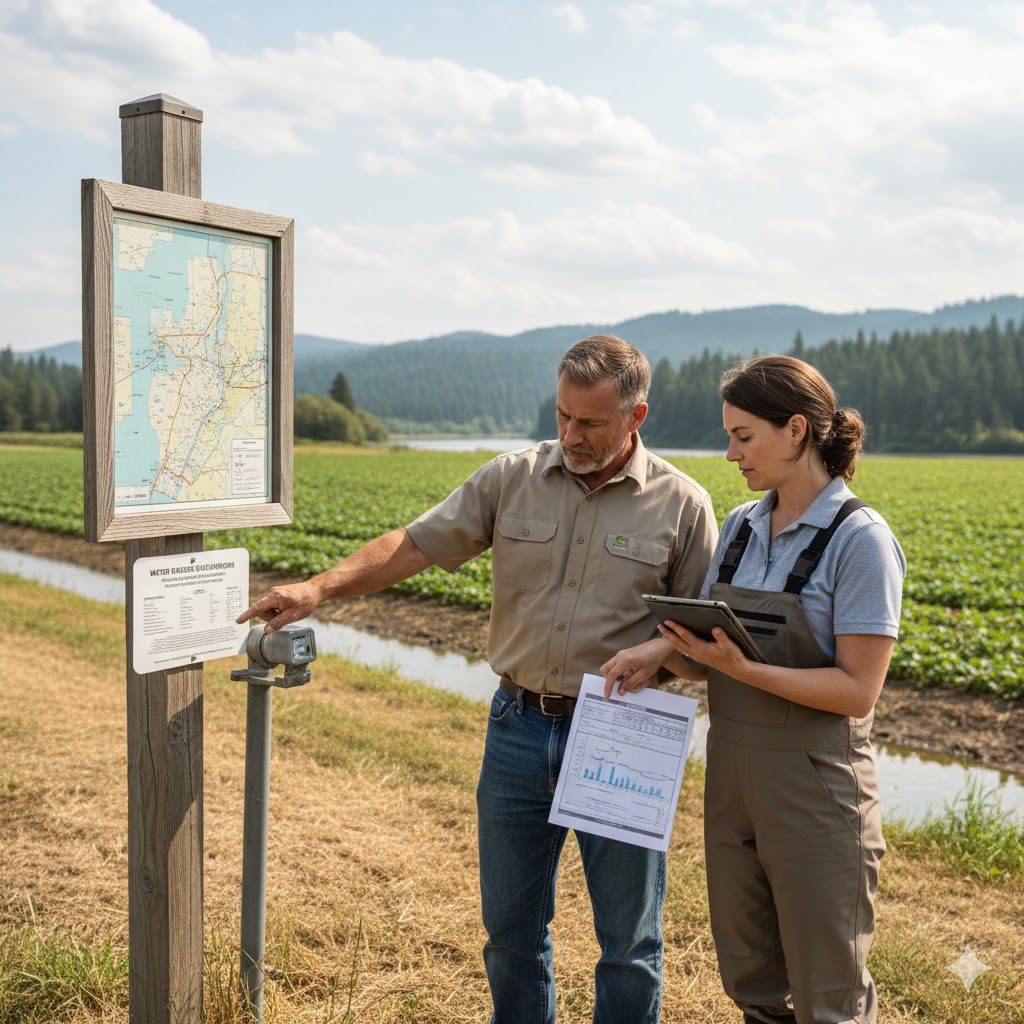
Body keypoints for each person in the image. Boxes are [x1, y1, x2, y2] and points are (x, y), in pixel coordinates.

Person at [237, 335, 719, 1024]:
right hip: (517, 728)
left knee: (629, 940)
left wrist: (661, 656)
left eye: (591, 422)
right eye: (562, 416)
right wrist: (321, 588)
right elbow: (414, 544)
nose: (570, 434)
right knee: (512, 934)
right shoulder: (510, 477)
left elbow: (703, 643)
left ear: (635, 417)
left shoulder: (683, 504)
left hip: (622, 730)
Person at [601, 355, 906, 1024]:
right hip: (733, 780)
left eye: (743, 436)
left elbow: (858, 691)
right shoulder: (739, 525)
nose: (730, 452)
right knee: (753, 983)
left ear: (796, 430)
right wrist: (657, 653)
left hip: (817, 791)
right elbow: (712, 653)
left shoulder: (861, 541)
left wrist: (747, 672)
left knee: (829, 994)